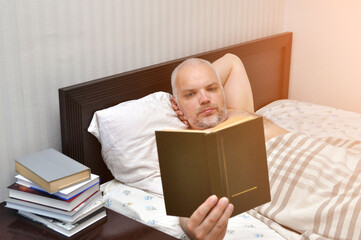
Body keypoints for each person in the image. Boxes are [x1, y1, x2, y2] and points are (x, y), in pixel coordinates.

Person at [170, 53, 289, 240]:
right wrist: (189, 226)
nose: (204, 99)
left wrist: (194, 91)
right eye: (190, 94)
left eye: (211, 88)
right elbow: (187, 204)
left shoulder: (236, 111)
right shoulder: (197, 144)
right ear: (176, 104)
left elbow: (232, 61)